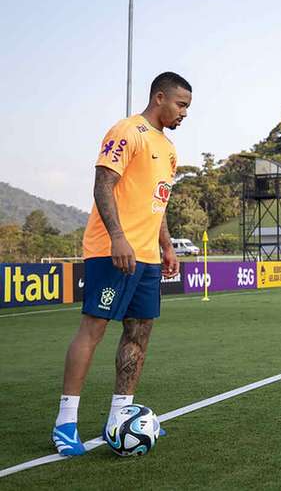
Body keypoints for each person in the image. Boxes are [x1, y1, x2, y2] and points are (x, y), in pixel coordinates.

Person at [52, 72, 192, 455]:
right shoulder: (126, 131)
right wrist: (117, 237)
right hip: (111, 250)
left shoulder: (170, 149)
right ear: (159, 97)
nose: (184, 114)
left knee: (139, 332)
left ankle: (120, 415)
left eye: (187, 108)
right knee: (93, 330)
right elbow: (102, 183)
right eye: (180, 105)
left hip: (146, 256)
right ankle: (65, 423)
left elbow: (157, 201)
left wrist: (166, 245)